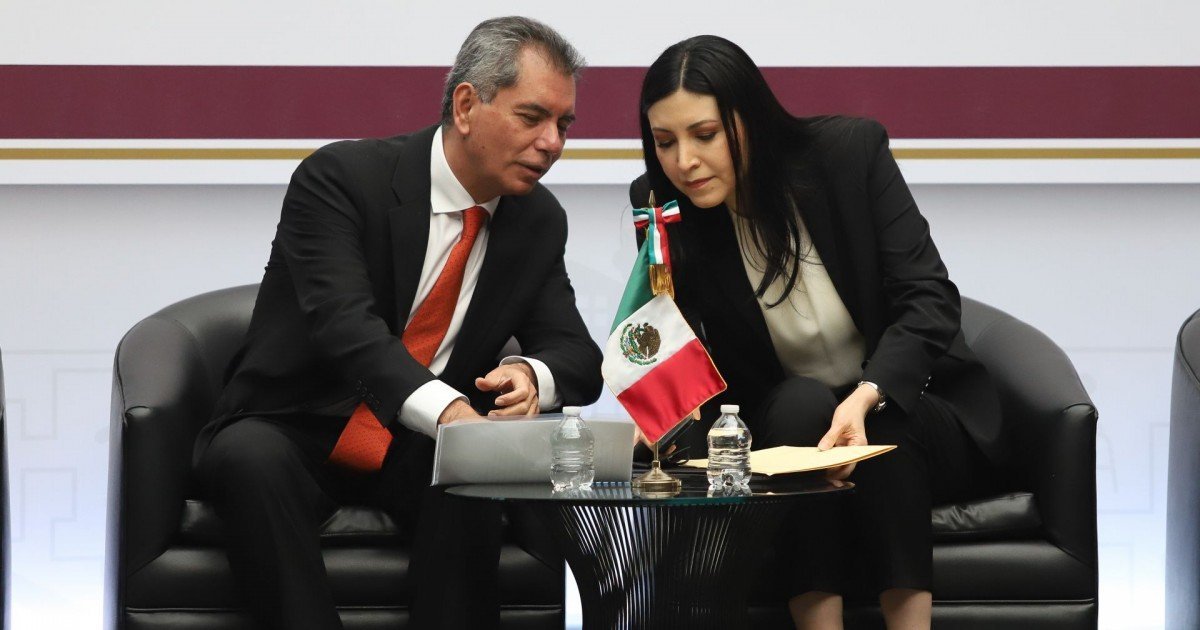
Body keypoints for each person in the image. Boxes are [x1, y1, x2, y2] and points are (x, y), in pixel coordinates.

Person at [192, 16, 603, 630]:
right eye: (532, 117)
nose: (552, 143)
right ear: (467, 106)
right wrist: (453, 414)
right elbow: (346, 328)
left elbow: (578, 356)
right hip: (296, 422)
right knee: (249, 459)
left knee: (470, 475)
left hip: (419, 446)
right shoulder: (341, 179)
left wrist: (530, 374)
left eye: (564, 125)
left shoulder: (536, 220)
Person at [630, 36, 1007, 629]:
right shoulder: (664, 208)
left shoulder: (848, 154)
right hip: (790, 422)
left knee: (882, 421)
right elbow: (673, 333)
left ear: (749, 119)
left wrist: (864, 396)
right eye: (665, 141)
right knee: (802, 405)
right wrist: (659, 405)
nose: (685, 162)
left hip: (915, 410)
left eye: (705, 135)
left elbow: (929, 298)